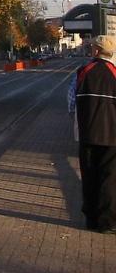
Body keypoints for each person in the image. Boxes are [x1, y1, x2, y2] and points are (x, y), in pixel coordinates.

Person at [69, 35, 116, 233]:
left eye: (92, 48)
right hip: (112, 136)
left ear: (96, 51)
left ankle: (91, 219)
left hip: (87, 134)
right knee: (109, 178)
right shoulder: (115, 74)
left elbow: (71, 102)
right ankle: (106, 222)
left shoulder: (82, 72)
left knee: (89, 177)